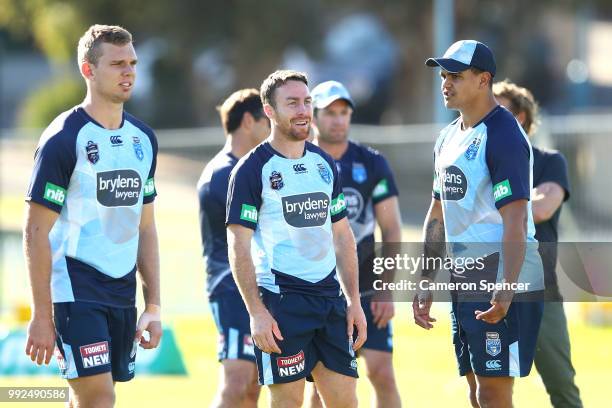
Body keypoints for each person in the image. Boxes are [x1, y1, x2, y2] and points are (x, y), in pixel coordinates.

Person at [23, 25, 162, 407]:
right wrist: (41, 315)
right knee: (99, 397)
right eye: (117, 63)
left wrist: (153, 305)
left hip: (122, 292)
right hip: (74, 290)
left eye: (132, 63)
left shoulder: (144, 139)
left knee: (91, 396)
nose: (128, 71)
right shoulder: (63, 138)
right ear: (88, 70)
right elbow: (35, 231)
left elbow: (146, 226)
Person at [226, 70, 367, 408]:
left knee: (346, 403)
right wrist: (256, 312)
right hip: (281, 303)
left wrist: (354, 301)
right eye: (292, 103)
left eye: (306, 102)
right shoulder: (251, 169)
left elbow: (342, 235)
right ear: (269, 111)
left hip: (330, 301)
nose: (303, 110)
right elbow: (238, 245)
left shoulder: (324, 164)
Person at [415, 40, 544, 408]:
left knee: (493, 392)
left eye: (455, 75)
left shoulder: (504, 135)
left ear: (484, 80)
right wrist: (425, 280)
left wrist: (506, 289)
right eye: (443, 75)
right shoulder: (447, 137)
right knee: (475, 391)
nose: (445, 82)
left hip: (500, 271)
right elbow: (437, 214)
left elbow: (516, 220)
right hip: (463, 273)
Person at [308, 80, 402, 408]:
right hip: (317, 290)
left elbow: (391, 230)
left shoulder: (372, 163)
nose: (338, 119)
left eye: (344, 112)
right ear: (314, 116)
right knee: (320, 385)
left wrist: (387, 289)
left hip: (368, 288)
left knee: (382, 373)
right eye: (329, 113)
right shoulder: (301, 161)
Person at [493, 79, 582, 408]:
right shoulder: (481, 165)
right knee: (491, 390)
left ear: (520, 118)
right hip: (490, 287)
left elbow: (543, 208)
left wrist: (499, 202)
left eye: (498, 111)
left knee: (562, 385)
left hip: (540, 291)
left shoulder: (549, 161)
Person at [197, 88, 270, 407]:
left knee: (252, 385)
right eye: (267, 121)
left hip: (254, 286)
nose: (272, 130)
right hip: (231, 287)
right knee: (237, 381)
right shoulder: (225, 173)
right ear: (248, 122)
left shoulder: (247, 169)